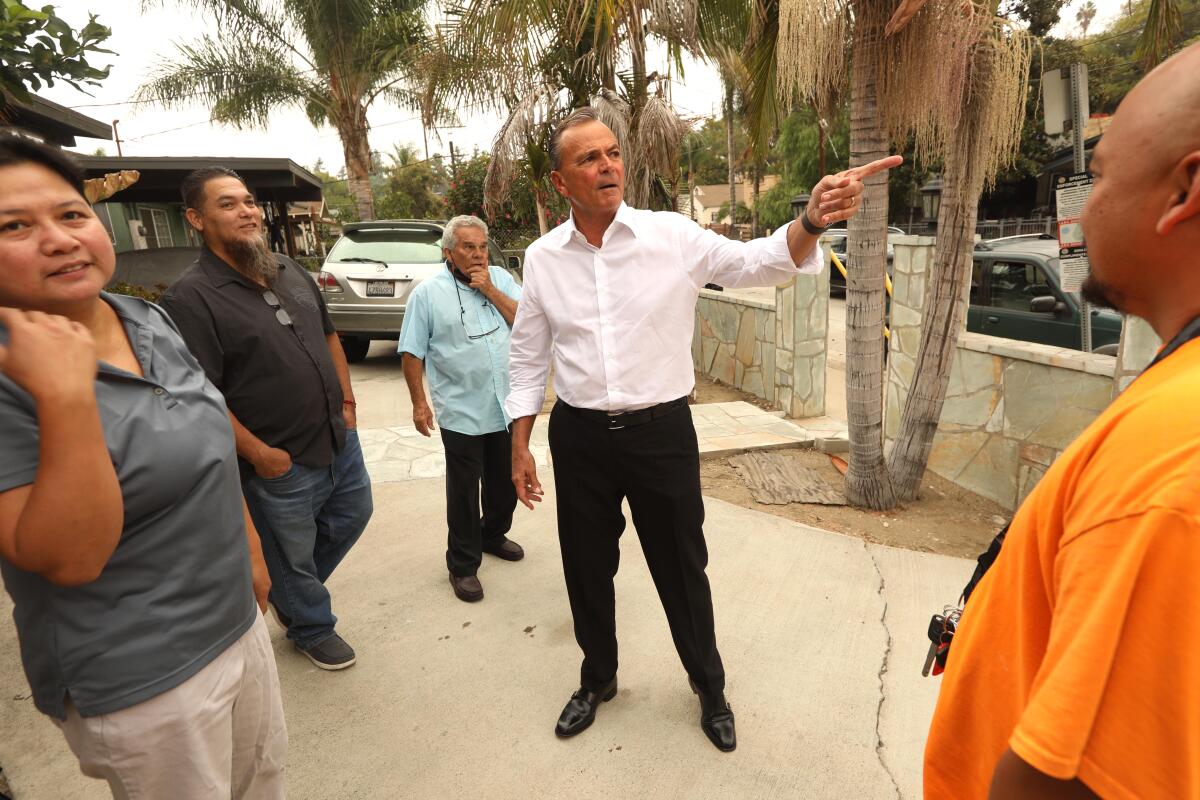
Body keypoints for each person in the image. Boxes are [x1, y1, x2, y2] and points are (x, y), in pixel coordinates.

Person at [506, 107, 900, 751]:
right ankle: (597, 677)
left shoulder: (672, 236)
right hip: (577, 438)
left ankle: (709, 688)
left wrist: (810, 218)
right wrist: (519, 443)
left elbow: (761, 262)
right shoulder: (543, 259)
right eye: (588, 159)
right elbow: (527, 356)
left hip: (660, 433)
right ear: (560, 183)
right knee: (584, 566)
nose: (607, 165)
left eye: (612, 153)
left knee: (682, 567)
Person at [924, 42, 1200, 799]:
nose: (1078, 203)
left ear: (1186, 190)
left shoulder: (1170, 466)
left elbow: (1079, 777)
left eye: (1100, 175)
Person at [0, 132, 286, 797]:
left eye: (70, 214)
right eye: (14, 226)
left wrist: (250, 552)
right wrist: (67, 395)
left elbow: (209, 441)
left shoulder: (146, 318)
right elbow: (72, 558)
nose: (61, 239)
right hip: (144, 678)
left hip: (236, 626)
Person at [161, 167, 373, 671]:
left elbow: (328, 338)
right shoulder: (190, 298)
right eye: (228, 204)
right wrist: (259, 453)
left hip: (336, 437)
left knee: (353, 515)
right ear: (196, 219)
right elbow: (199, 393)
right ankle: (311, 625)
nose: (247, 211)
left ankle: (287, 592)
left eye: (249, 202)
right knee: (291, 551)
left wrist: (347, 406)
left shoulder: (286, 268)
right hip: (277, 459)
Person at [398, 215, 525, 602]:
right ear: (448, 252)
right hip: (460, 410)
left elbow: (525, 322)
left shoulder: (501, 279)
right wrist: (420, 403)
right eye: (468, 247)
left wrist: (489, 289)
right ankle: (463, 565)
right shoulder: (427, 294)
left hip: (505, 405)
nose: (477, 254)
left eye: (483, 246)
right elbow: (411, 350)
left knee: (505, 483)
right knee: (465, 492)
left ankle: (492, 535)